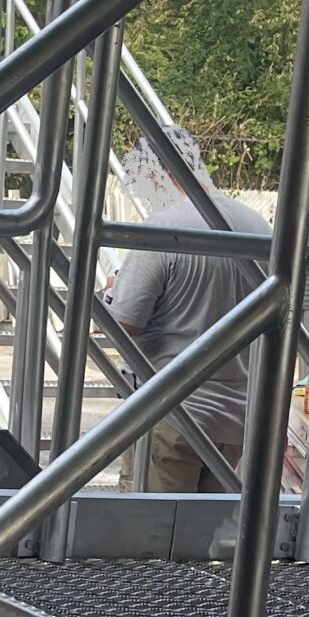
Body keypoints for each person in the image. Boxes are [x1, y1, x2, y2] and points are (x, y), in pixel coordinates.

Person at [105, 190, 271, 492]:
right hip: (236, 417)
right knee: (206, 518)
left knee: (153, 518)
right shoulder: (258, 227)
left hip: (169, 412)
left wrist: (111, 289)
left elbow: (124, 322)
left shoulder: (164, 228)